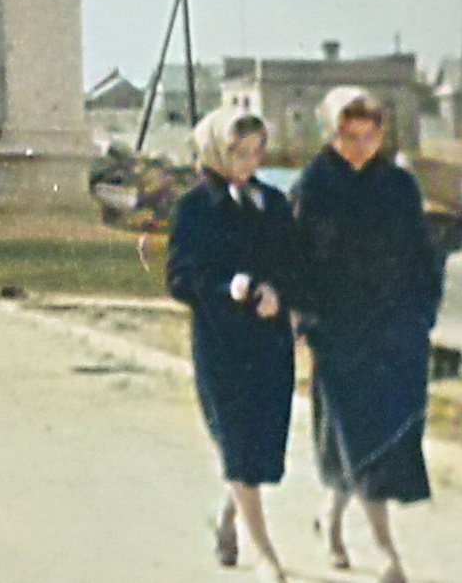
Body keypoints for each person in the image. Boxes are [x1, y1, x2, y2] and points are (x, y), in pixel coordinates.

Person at [294, 87, 442, 583]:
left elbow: (424, 255)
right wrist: (307, 319)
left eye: (368, 135)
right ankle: (387, 553)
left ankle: (331, 520)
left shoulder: (399, 185)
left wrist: (424, 312)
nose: (358, 146)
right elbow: (299, 261)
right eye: (347, 135)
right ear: (331, 133)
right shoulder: (315, 185)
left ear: (381, 134)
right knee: (355, 434)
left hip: (396, 330)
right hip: (339, 330)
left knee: (378, 437)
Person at [167, 110, 301, 582]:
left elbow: (293, 264)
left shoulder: (276, 203)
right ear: (215, 151)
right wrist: (229, 288)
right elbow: (180, 278)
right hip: (222, 343)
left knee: (259, 448)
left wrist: (278, 292)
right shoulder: (195, 207)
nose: (248, 162)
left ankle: (228, 517)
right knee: (238, 442)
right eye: (238, 152)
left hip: (268, 341)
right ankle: (266, 554)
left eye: (256, 151)